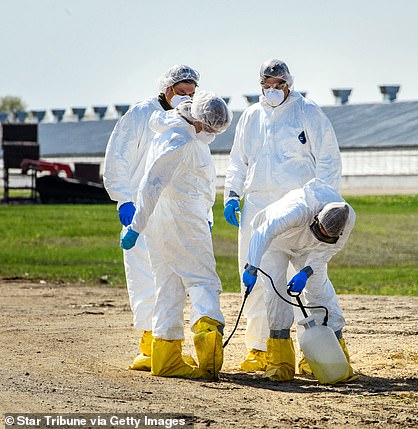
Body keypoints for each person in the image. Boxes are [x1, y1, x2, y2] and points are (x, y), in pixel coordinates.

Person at [223, 59, 342, 372]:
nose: (273, 90)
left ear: (290, 83)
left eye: (279, 84)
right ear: (260, 84)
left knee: (309, 280)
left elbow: (329, 160)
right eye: (268, 84)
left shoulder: (309, 113)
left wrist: (324, 203)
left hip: (301, 207)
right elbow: (238, 161)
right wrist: (232, 195)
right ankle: (260, 349)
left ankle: (314, 350)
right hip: (257, 208)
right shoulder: (250, 116)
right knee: (260, 279)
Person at [120, 92, 232, 379]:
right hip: (183, 220)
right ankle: (209, 346)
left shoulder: (174, 131)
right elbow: (151, 185)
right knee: (203, 281)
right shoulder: (180, 140)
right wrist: (135, 227)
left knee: (168, 285)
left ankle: (166, 356)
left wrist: (141, 226)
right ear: (198, 121)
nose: (210, 134)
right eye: (209, 128)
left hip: (163, 223)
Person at [103, 65, 200, 371]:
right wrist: (123, 200)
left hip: (172, 211)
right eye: (181, 92)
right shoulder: (140, 115)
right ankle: (149, 345)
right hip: (139, 209)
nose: (186, 98)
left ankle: (166, 342)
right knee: (144, 276)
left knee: (171, 277)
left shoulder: (186, 119)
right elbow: (117, 158)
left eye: (191, 94)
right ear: (167, 89)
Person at [241, 178, 355, 381]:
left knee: (320, 292)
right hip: (276, 243)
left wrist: (306, 272)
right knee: (276, 291)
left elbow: (325, 253)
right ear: (316, 218)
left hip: (311, 250)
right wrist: (252, 266)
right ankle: (280, 361)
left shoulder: (347, 219)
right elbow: (262, 233)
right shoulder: (296, 210)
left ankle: (330, 357)